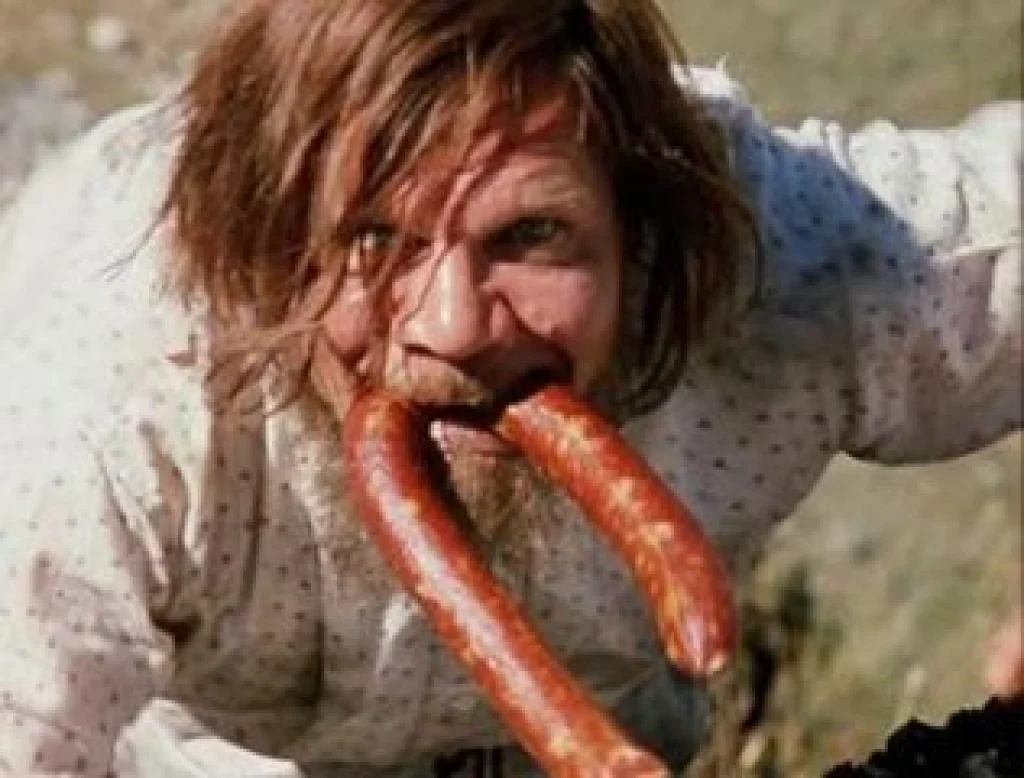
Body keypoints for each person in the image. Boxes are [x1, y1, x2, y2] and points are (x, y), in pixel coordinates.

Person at [0, 0, 1020, 775]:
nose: (452, 326)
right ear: (270, 246)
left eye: (531, 234)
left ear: (641, 227)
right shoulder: (106, 392)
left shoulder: (799, 260)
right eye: (373, 239)